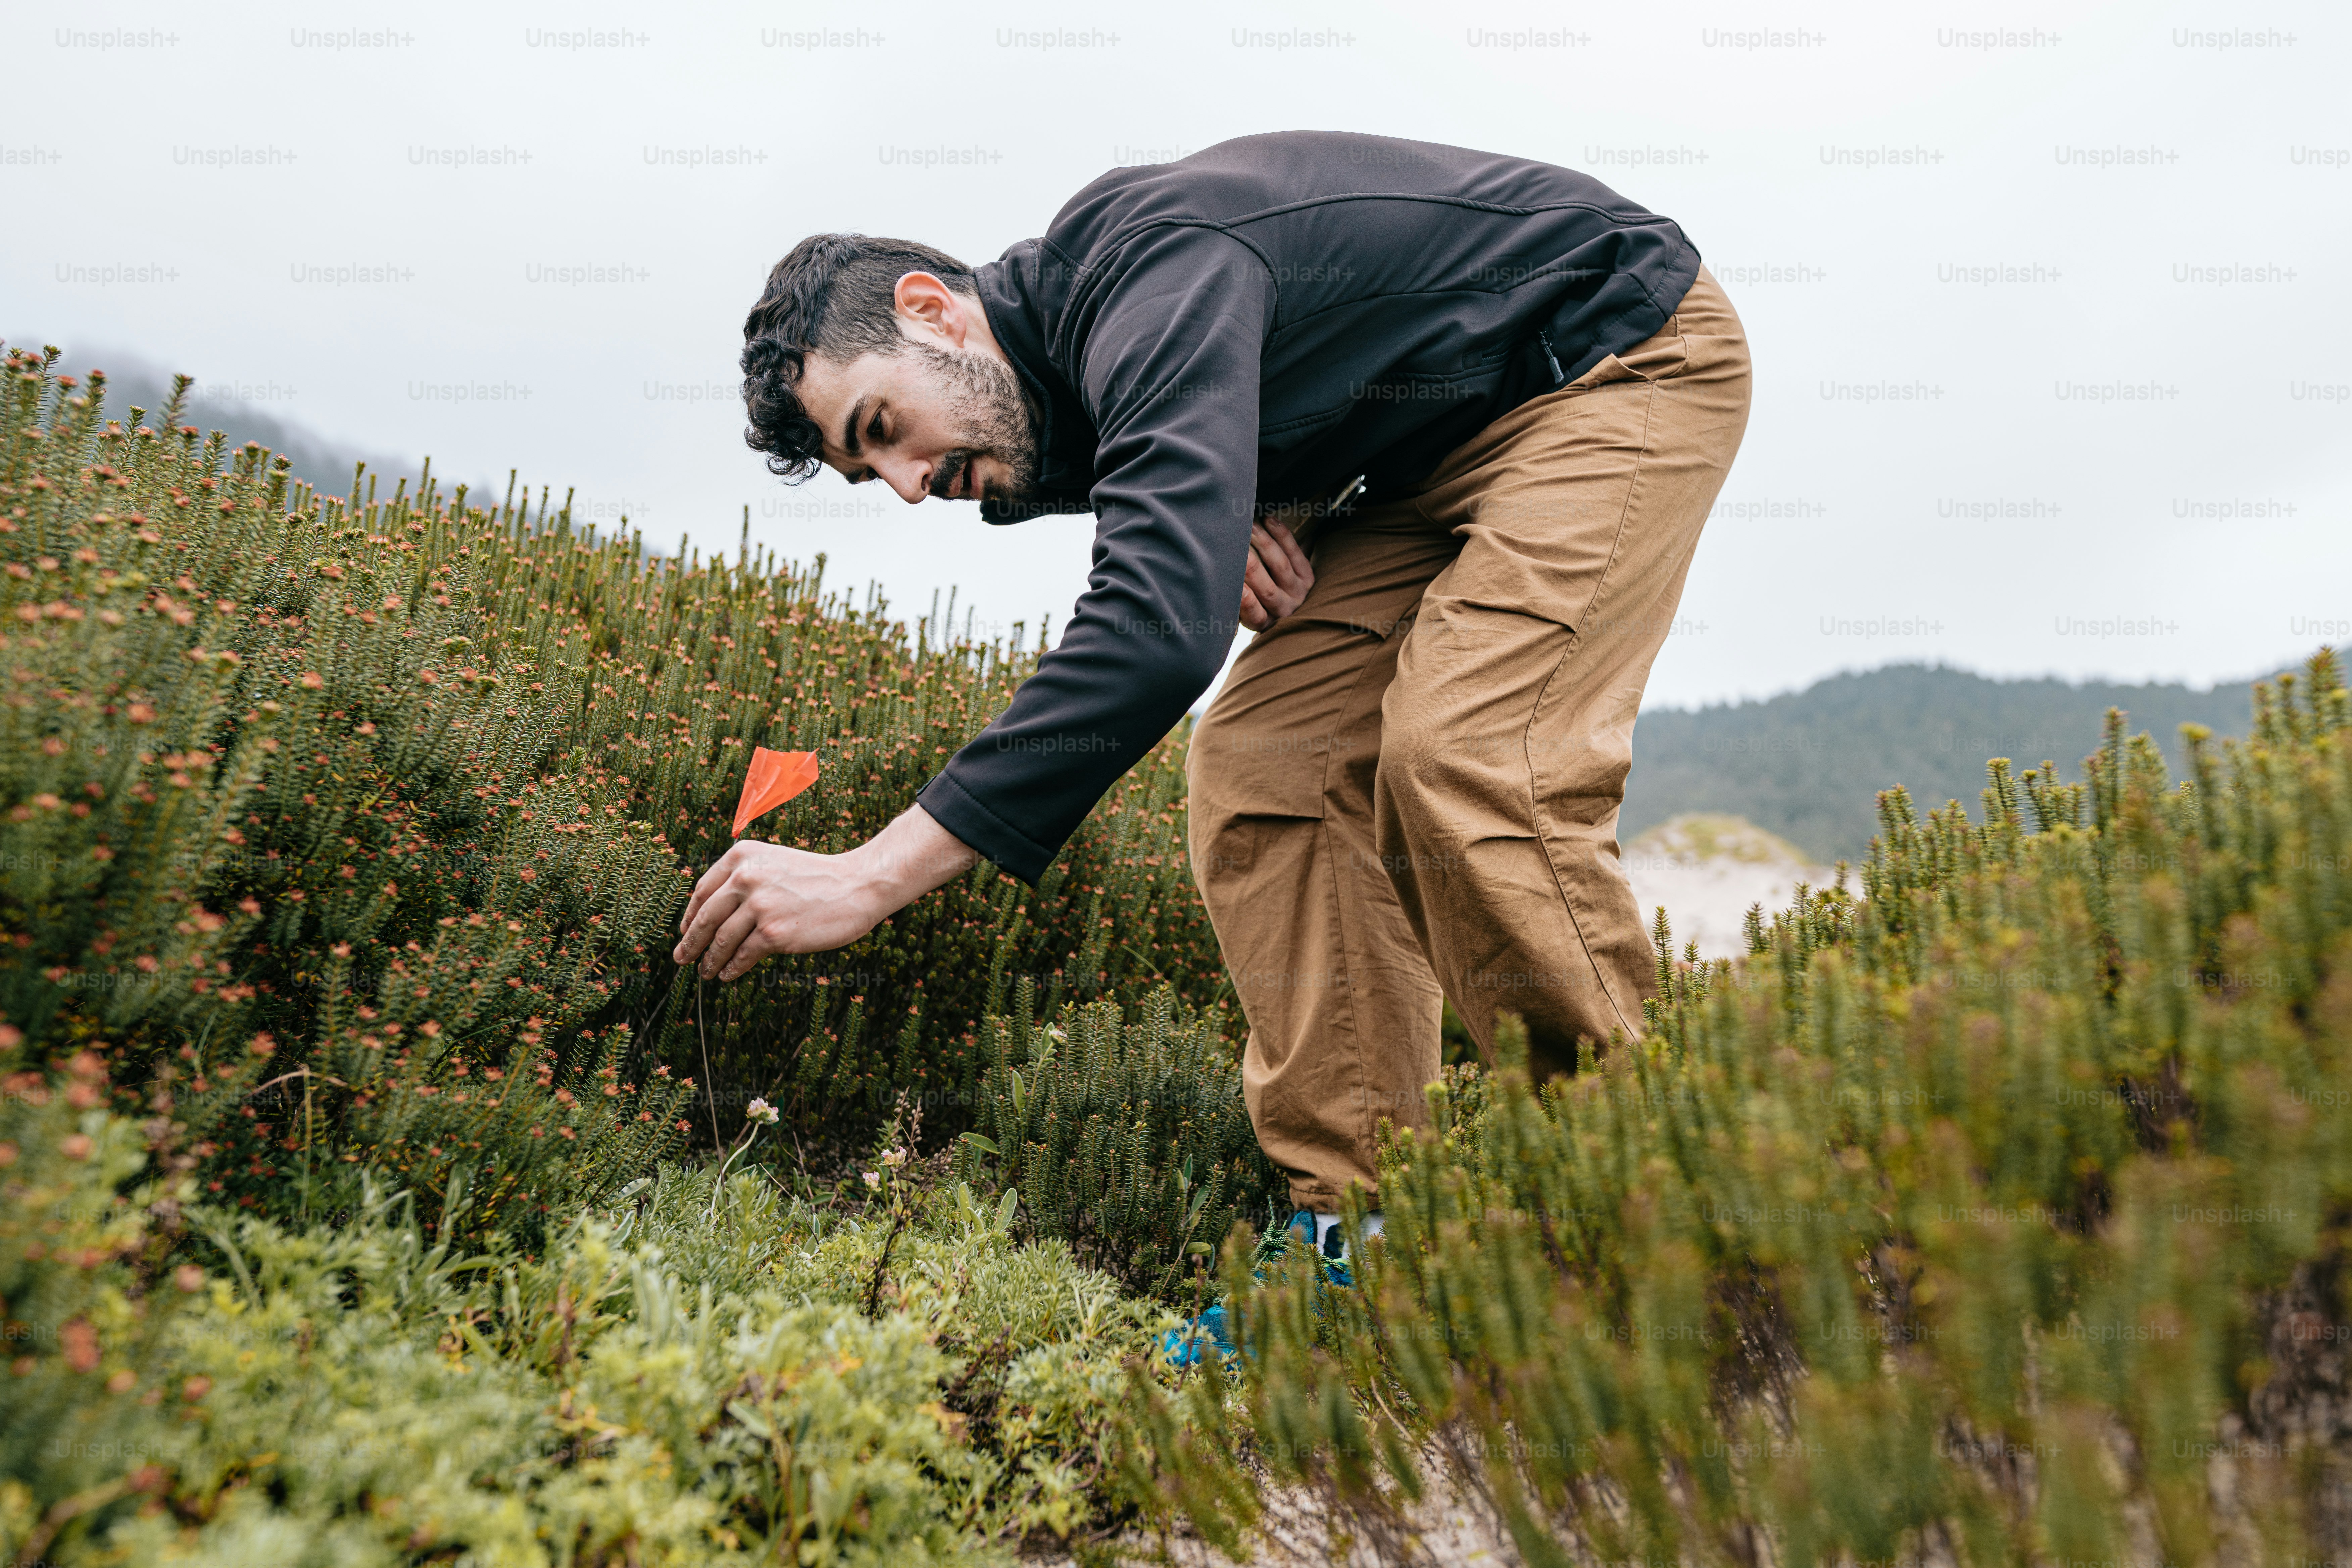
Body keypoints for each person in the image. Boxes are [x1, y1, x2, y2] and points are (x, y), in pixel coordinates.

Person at [674, 130, 1752, 1267]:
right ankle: (1359, 1232)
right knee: (1265, 761)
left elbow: (1153, 634)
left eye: (883, 431)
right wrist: (1244, 484)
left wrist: (866, 877)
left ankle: (1662, 1205)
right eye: (868, 477)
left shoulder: (1153, 275)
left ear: (933, 309)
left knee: (1462, 757)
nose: (904, 486)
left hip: (1610, 355)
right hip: (1424, 457)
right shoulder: (1061, 387)